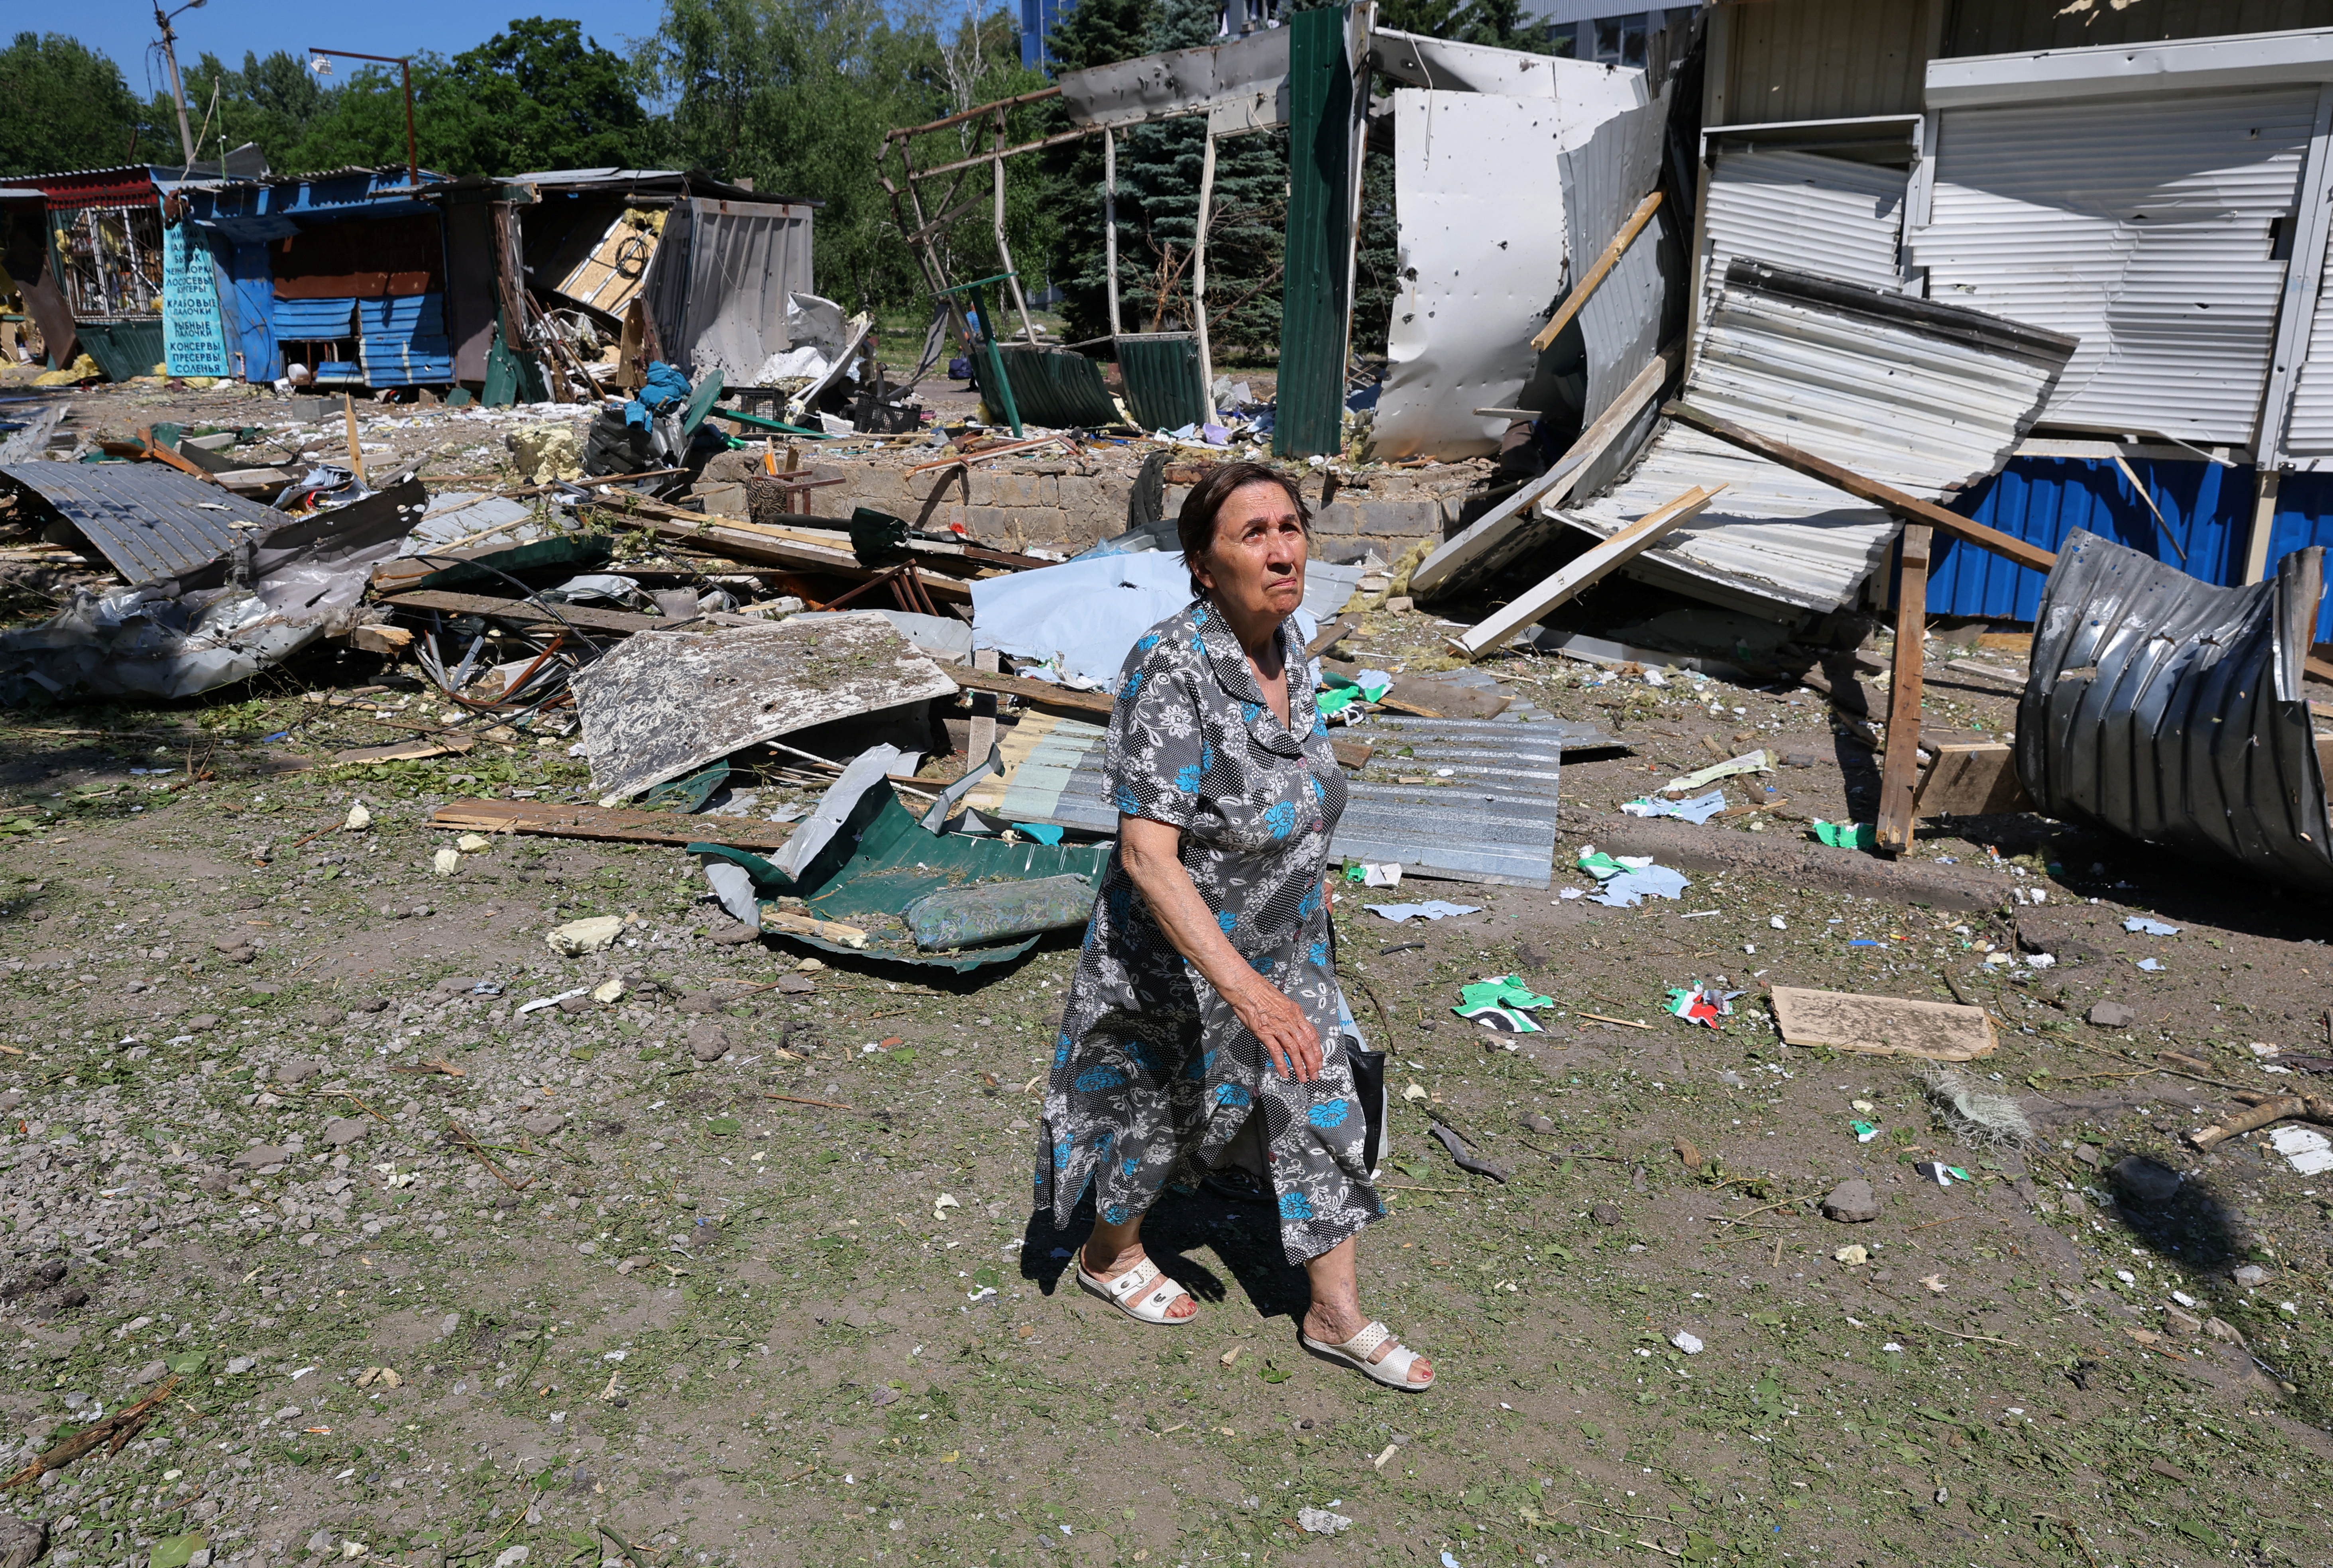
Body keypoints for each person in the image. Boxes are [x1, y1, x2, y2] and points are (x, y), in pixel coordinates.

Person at [1034, 460, 1433, 1391]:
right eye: (1252, 533)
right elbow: (1146, 855)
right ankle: (1107, 1254)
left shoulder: (1293, 647)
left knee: (1320, 1096)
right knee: (1155, 1122)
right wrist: (1242, 992)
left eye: (1289, 526)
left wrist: (1312, 898)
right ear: (1202, 566)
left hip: (1286, 943)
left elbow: (1303, 789)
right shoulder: (1167, 667)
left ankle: (1335, 1313)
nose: (1281, 547)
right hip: (1176, 958)